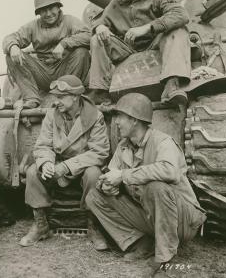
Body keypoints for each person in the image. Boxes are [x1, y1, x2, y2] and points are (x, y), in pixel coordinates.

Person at [85, 93, 206, 275]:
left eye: (120, 117)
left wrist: (124, 175)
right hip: (151, 216)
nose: (116, 122)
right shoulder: (123, 146)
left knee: (156, 187)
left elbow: (169, 171)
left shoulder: (162, 141)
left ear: (134, 120)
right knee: (95, 196)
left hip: (183, 221)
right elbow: (113, 174)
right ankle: (142, 241)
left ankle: (165, 258)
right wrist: (108, 185)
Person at [20, 75, 110, 250]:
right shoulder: (52, 115)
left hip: (82, 166)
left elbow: (100, 152)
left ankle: (93, 226)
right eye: (55, 97)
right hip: (56, 164)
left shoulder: (94, 116)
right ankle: (41, 225)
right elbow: (44, 144)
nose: (56, 101)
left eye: (61, 97)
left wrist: (67, 166)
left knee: (94, 174)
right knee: (32, 172)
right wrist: (46, 163)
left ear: (75, 97)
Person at [89, 0, 191, 106]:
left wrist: (147, 27)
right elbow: (97, 23)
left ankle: (172, 84)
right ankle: (100, 91)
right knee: (96, 39)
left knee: (178, 31)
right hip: (127, 49)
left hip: (157, 44)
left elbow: (181, 14)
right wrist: (99, 28)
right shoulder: (115, 4)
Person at [2, 0, 91, 109]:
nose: (48, 13)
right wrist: (13, 46)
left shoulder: (70, 21)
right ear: (38, 13)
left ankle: (66, 94)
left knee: (82, 53)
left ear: (58, 7)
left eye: (51, 8)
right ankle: (31, 98)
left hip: (65, 70)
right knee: (10, 56)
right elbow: (10, 37)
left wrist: (64, 44)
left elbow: (88, 35)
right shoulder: (33, 26)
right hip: (43, 72)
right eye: (43, 10)